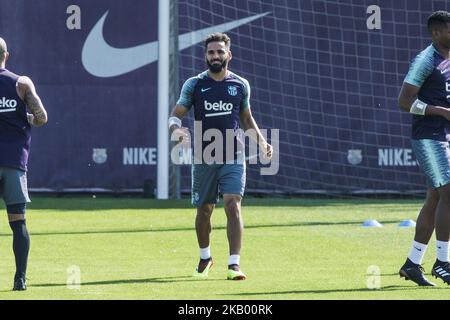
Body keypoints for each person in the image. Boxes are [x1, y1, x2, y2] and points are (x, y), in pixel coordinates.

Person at [168, 33, 272, 280]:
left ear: (229, 55)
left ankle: (234, 264)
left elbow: (246, 119)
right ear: (206, 56)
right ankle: (205, 257)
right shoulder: (194, 85)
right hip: (204, 156)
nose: (215, 56)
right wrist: (176, 129)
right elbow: (175, 114)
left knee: (232, 204)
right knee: (204, 210)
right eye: (211, 52)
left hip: (234, 155)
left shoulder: (240, 85)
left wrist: (262, 141)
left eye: (219, 52)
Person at [398, 11, 450, 286]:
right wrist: (440, 111)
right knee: (449, 193)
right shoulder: (425, 60)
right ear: (436, 33)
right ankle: (443, 262)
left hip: (445, 135)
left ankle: (412, 264)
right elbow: (405, 101)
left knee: (435, 199)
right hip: (429, 136)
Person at [0, 37, 48, 290]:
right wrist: (24, 116)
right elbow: (42, 118)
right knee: (18, 222)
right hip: (13, 164)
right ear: (6, 56)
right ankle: (20, 279)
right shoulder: (21, 83)